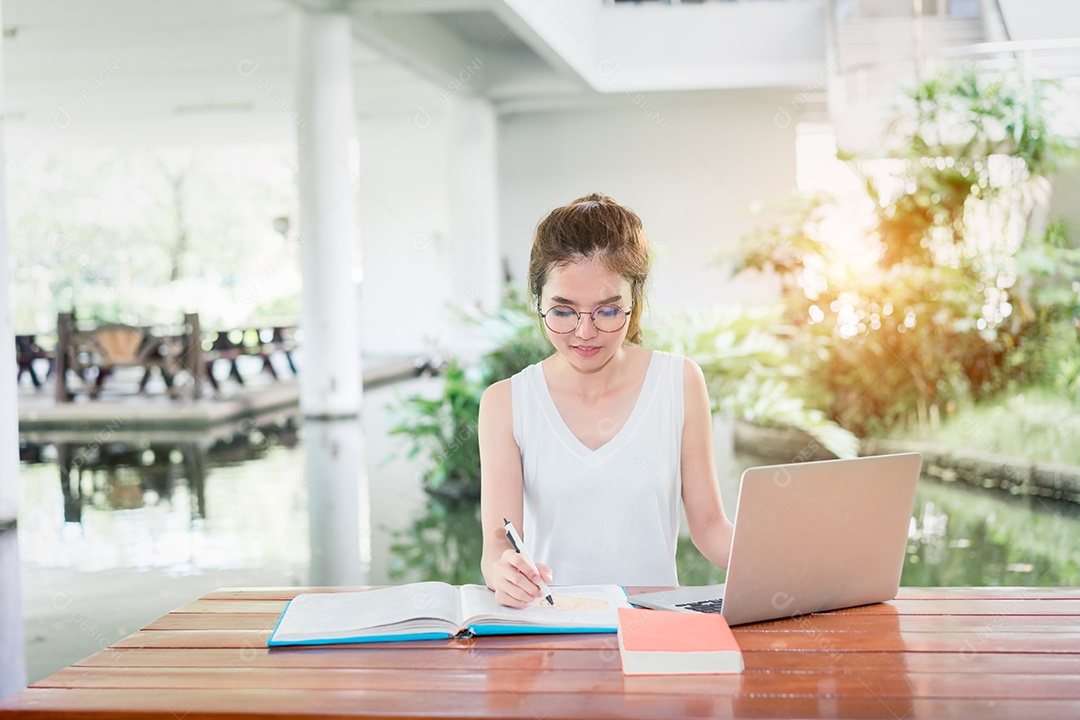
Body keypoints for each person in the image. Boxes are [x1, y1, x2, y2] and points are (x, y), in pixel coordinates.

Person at [479, 193, 735, 608]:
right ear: (538, 302)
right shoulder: (505, 402)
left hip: (652, 630)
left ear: (634, 303)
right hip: (552, 632)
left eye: (607, 311)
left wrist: (784, 568)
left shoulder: (679, 382)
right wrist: (503, 568)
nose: (584, 332)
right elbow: (497, 541)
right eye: (563, 312)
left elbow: (709, 527)